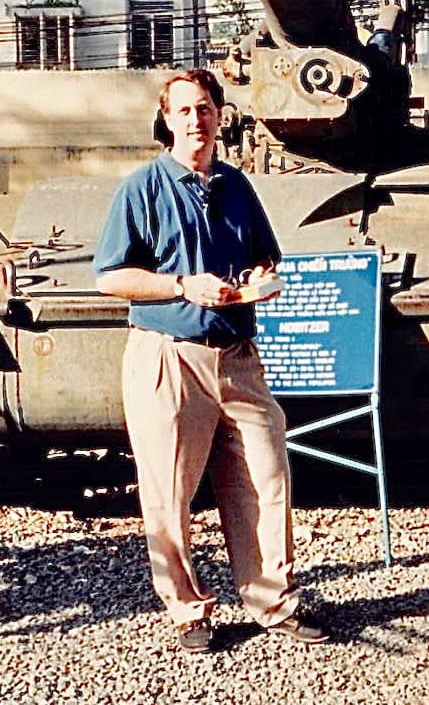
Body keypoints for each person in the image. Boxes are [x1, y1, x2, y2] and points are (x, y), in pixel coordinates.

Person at [94, 69, 329, 654]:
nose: (195, 121)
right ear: (166, 120)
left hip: (238, 358)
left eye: (205, 108)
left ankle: (272, 602)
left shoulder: (236, 185)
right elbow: (110, 276)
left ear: (220, 116)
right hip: (168, 358)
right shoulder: (142, 188)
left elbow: (264, 257)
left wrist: (257, 280)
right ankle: (186, 610)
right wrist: (180, 287)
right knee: (170, 492)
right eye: (183, 111)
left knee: (266, 478)